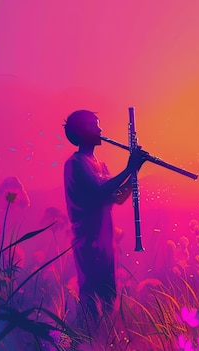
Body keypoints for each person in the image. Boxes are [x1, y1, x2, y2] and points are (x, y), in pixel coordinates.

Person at [62, 109, 146, 323]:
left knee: (109, 295)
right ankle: (87, 339)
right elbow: (99, 190)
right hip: (88, 240)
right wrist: (129, 168)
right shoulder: (76, 164)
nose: (100, 129)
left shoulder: (100, 164)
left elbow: (116, 198)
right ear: (80, 132)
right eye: (94, 125)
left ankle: (106, 339)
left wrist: (136, 170)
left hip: (105, 239)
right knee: (91, 295)